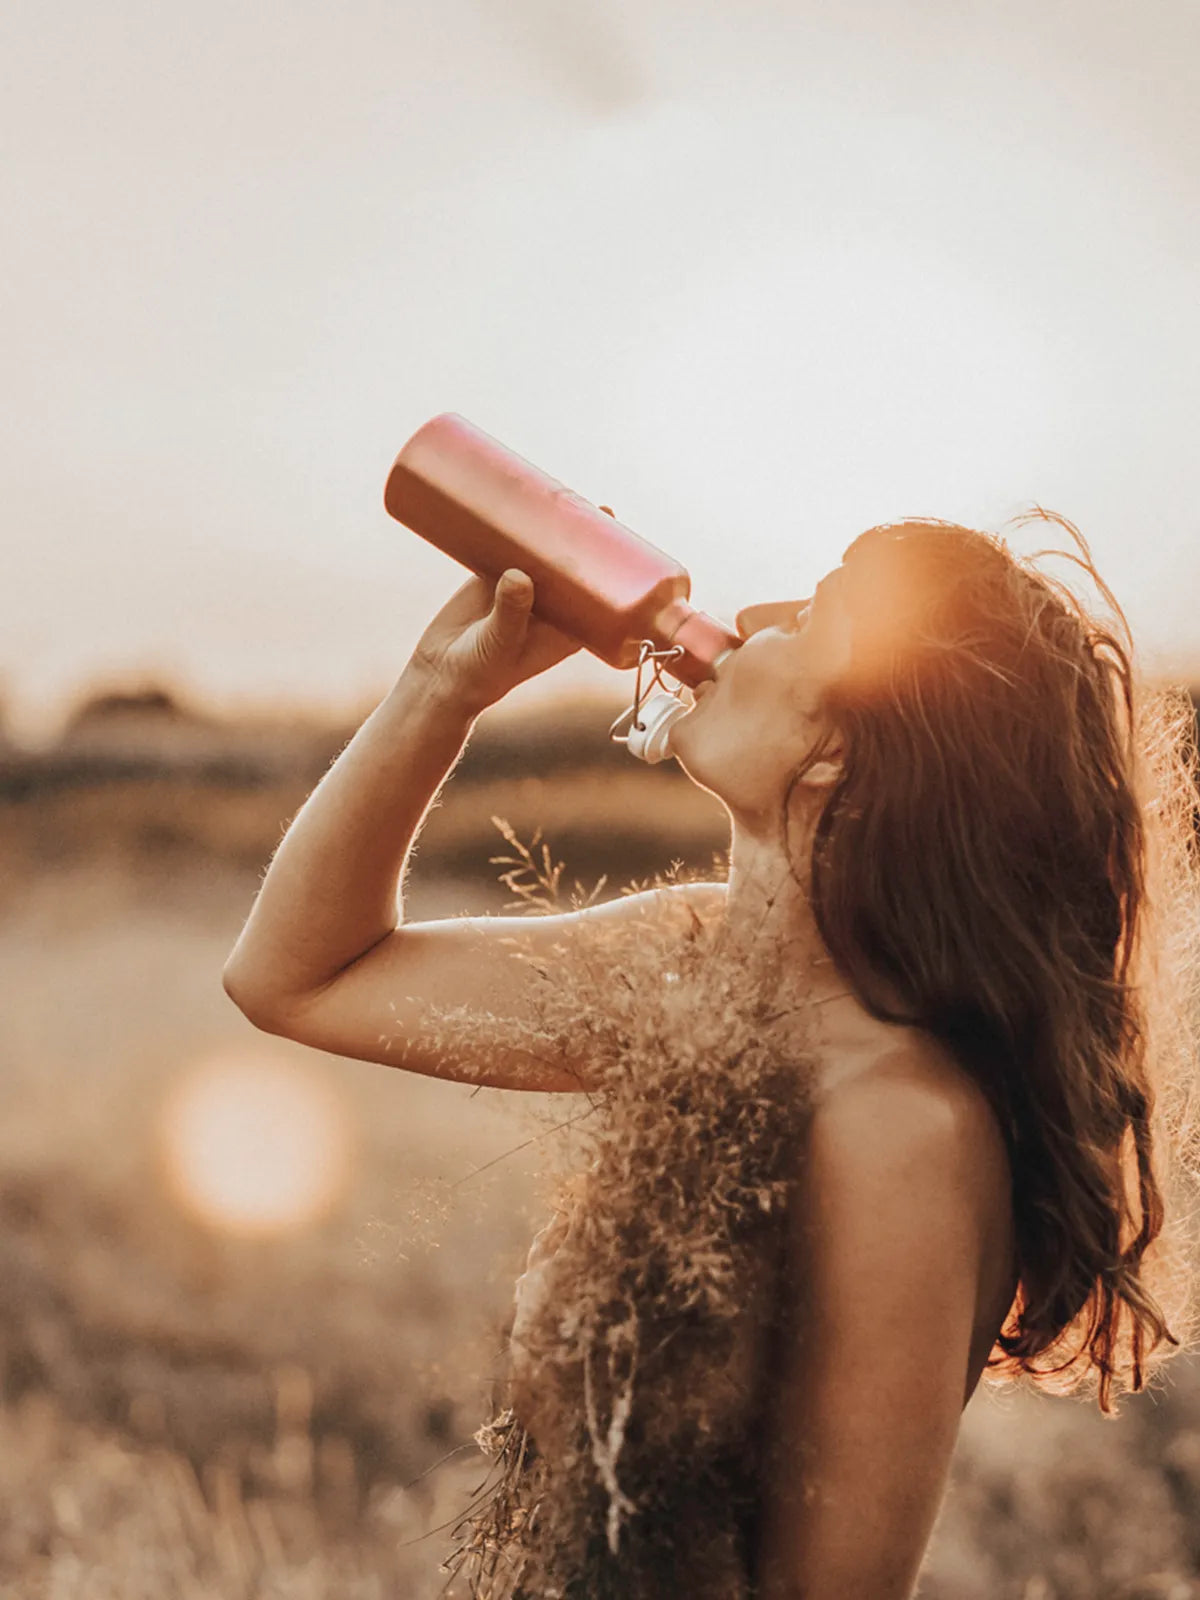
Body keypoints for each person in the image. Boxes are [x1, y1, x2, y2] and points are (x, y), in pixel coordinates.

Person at [223, 515, 1198, 1599]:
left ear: (842, 754)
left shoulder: (902, 1123)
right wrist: (437, 690)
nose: (743, 626)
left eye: (810, 617)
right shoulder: (690, 965)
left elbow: (825, 1591)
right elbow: (298, 978)